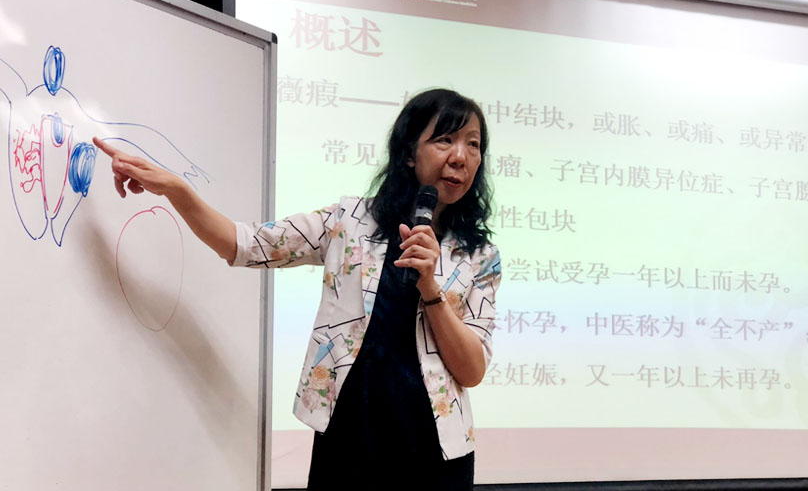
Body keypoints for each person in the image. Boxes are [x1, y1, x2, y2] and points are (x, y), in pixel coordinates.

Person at [93, 88, 502, 489]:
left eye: (473, 144)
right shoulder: (349, 221)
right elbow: (244, 244)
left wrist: (430, 287)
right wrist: (177, 190)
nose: (460, 157)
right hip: (349, 438)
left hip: (433, 452)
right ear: (410, 152)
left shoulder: (480, 256)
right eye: (445, 139)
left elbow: (472, 370)